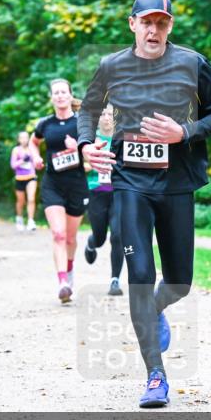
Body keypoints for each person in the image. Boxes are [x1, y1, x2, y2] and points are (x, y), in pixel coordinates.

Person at [78, 0, 211, 408]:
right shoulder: (111, 66)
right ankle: (155, 376)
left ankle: (157, 310)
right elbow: (87, 110)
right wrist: (86, 145)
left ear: (170, 27)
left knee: (179, 281)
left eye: (161, 22)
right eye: (146, 22)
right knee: (140, 276)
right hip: (130, 183)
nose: (153, 29)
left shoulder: (192, 63)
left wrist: (185, 133)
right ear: (132, 25)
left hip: (177, 182)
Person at [32, 78, 89, 304]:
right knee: (58, 234)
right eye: (55, 93)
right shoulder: (45, 124)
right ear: (51, 97)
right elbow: (34, 142)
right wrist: (35, 157)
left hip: (76, 184)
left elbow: (91, 150)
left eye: (63, 92)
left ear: (69, 94)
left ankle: (70, 268)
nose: (60, 96)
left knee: (71, 238)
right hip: (52, 184)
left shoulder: (82, 123)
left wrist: (78, 148)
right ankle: (62, 282)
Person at [83, 103, 124, 296]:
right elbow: (79, 165)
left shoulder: (122, 138)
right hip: (97, 192)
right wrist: (90, 165)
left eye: (111, 114)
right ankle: (92, 242)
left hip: (118, 193)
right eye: (104, 114)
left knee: (118, 235)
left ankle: (115, 280)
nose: (107, 117)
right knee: (100, 237)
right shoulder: (90, 140)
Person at [11, 131, 40, 231]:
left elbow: (37, 162)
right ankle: (19, 219)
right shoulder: (16, 150)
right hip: (20, 178)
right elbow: (13, 165)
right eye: (22, 138)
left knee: (31, 199)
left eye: (26, 138)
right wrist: (22, 160)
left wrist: (37, 162)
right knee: (21, 201)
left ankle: (31, 221)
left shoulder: (32, 149)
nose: (24, 140)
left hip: (31, 177)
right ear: (19, 140)